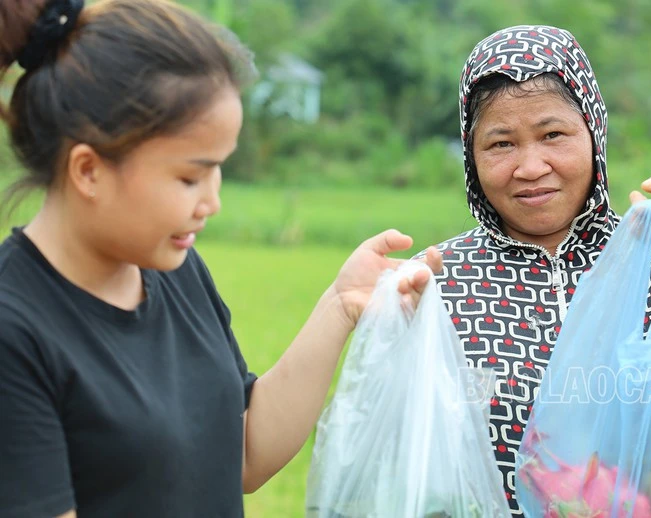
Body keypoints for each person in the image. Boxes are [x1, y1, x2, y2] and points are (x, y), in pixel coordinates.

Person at [0, 1, 441, 517]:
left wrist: (341, 305)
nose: (212, 202)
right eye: (190, 176)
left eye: (219, 170)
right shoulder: (15, 330)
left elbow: (245, 452)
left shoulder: (174, 268)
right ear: (89, 170)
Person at [426, 24, 651, 516]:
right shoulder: (440, 282)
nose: (530, 167)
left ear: (594, 133)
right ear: (471, 155)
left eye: (553, 135)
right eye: (501, 144)